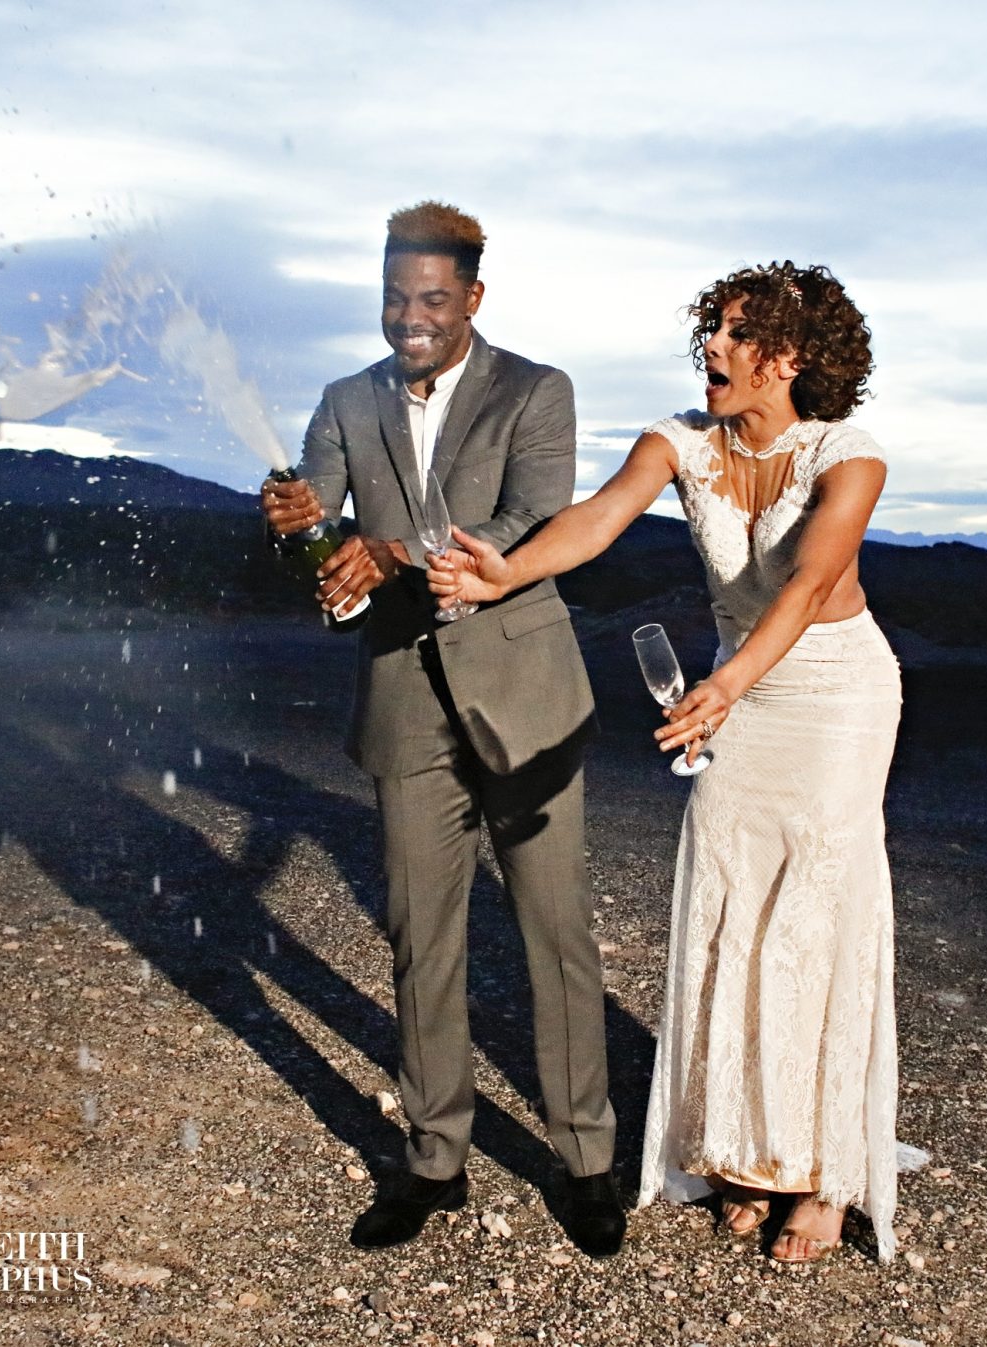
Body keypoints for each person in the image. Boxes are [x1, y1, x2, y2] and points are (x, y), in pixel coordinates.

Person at [427, 261, 902, 1263]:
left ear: (795, 358)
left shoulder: (850, 456)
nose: (714, 349)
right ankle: (739, 1150)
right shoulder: (682, 440)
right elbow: (599, 518)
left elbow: (813, 581)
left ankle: (818, 1173)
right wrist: (509, 567)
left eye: (739, 334)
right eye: (714, 329)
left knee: (809, 922)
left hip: (833, 699)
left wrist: (726, 687)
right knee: (727, 909)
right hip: (737, 692)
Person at [261, 201, 624, 1256]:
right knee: (424, 942)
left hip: (527, 703)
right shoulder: (342, 400)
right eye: (393, 297)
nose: (409, 318)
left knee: (556, 936)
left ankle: (586, 1158)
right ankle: (432, 1160)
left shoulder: (537, 392)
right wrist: (295, 528)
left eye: (430, 298)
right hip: (403, 705)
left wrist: (387, 549)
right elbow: (320, 545)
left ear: (472, 296)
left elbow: (526, 524)